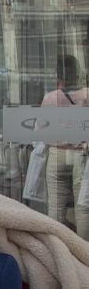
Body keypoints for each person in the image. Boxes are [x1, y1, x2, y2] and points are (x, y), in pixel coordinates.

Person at [40, 54, 89, 237]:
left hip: (56, 154)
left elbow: (40, 130)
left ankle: (58, 250)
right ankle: (85, 254)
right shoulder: (86, 95)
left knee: (56, 208)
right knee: (83, 208)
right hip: (81, 155)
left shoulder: (50, 98)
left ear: (57, 74)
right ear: (77, 73)